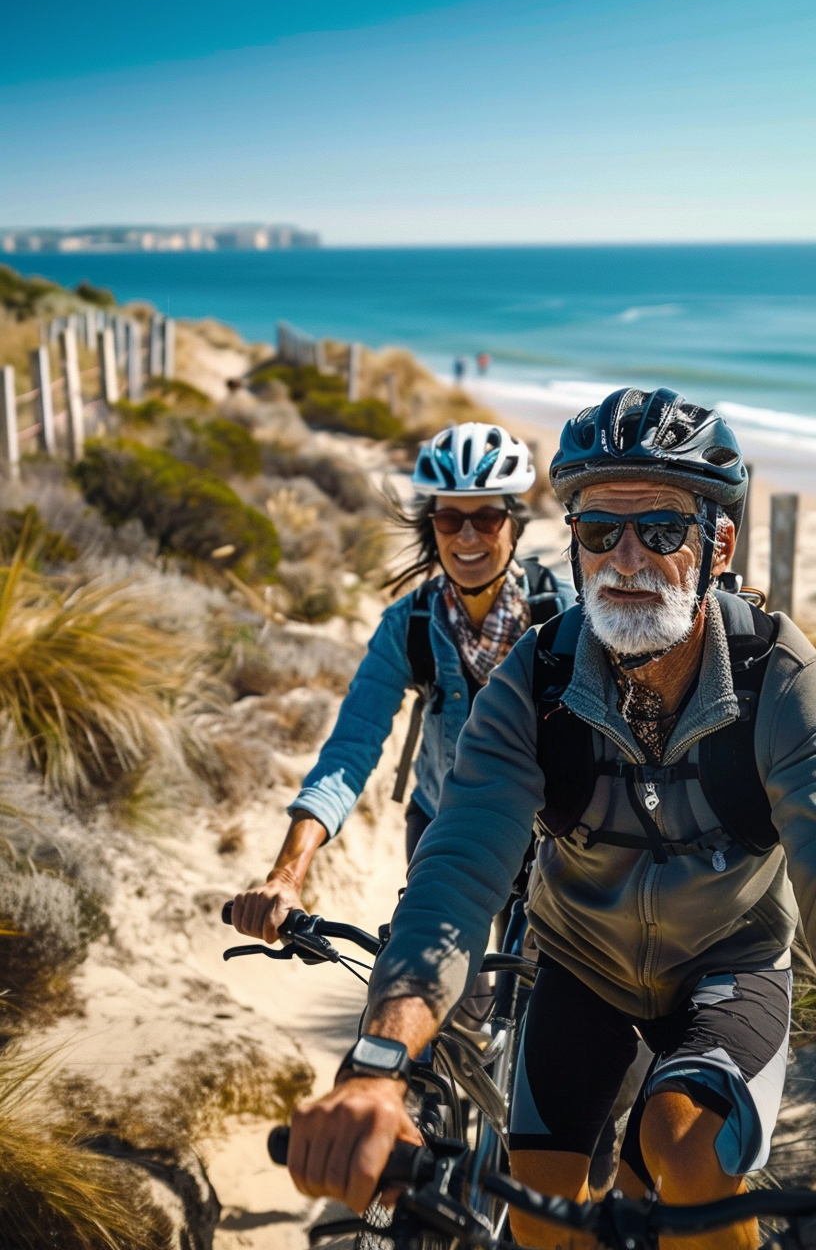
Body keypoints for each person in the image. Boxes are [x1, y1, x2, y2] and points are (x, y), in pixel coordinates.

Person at [283, 387, 816, 1250]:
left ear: (718, 544)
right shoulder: (533, 680)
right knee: (534, 1215)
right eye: (600, 531)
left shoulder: (778, 676)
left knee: (684, 1150)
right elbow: (455, 870)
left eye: (663, 531)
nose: (627, 558)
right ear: (572, 546)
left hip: (729, 968)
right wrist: (379, 1062)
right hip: (583, 965)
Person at [231, 421, 572, 945]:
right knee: (438, 990)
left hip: (549, 835)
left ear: (514, 523)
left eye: (485, 516)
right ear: (430, 526)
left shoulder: (563, 616)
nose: (466, 536)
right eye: (448, 518)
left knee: (535, 986)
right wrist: (285, 876)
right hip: (445, 824)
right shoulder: (407, 625)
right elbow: (350, 749)